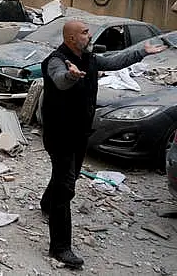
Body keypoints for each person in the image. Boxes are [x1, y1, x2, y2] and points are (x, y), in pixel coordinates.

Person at [39, 20, 166, 268]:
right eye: (85, 33)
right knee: (66, 188)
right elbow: (58, 79)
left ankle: (47, 204)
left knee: (69, 176)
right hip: (60, 135)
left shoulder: (90, 59)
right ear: (72, 38)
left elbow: (114, 62)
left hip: (79, 134)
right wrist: (70, 76)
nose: (89, 36)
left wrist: (142, 52)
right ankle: (60, 247)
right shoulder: (56, 60)